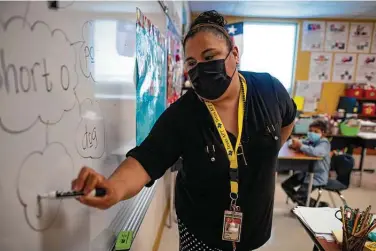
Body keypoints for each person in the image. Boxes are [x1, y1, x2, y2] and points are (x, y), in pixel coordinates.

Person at [72, 10, 297, 251]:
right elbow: (146, 160)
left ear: (234, 54)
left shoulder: (269, 89)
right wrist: (114, 188)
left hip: (255, 230)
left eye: (210, 56)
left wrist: (266, 155)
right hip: (201, 232)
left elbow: (287, 120)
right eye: (192, 63)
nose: (201, 69)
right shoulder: (183, 113)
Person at [281, 119, 331, 206]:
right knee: (286, 185)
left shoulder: (324, 143)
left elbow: (316, 152)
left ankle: (320, 205)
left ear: (323, 133)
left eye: (316, 131)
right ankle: (302, 204)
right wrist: (293, 143)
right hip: (305, 173)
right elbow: (294, 142)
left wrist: (300, 146)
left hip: (317, 177)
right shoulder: (311, 141)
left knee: (299, 196)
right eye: (310, 131)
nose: (312, 133)